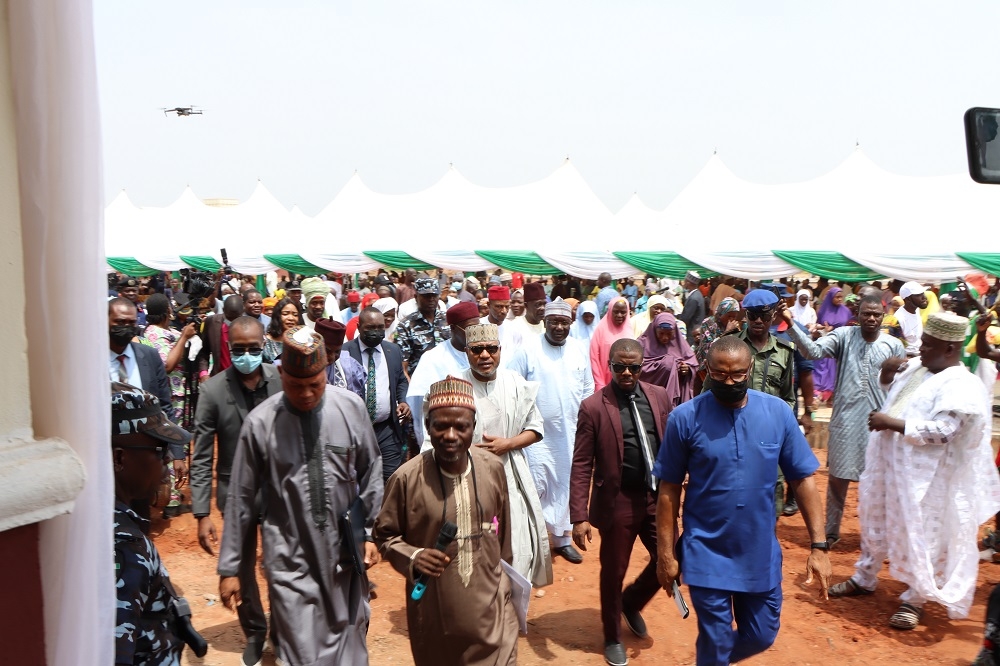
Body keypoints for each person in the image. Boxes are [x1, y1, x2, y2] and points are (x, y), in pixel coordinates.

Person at [655, 335, 831, 665]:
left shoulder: (778, 413)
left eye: (738, 374)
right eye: (720, 375)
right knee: (717, 639)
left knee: (761, 635)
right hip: (705, 550)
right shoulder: (684, 418)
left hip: (758, 551)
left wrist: (818, 546)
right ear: (706, 370)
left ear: (750, 369)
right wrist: (666, 554)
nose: (730, 382)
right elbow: (668, 491)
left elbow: (802, 480)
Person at [217, 326, 383, 665]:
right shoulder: (260, 424)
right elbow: (241, 500)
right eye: (296, 385)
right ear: (281, 374)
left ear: (326, 372)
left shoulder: (350, 408)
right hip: (290, 561)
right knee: (299, 653)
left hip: (343, 559)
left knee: (350, 649)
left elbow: (371, 469)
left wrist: (367, 532)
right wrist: (231, 568)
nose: (307, 394)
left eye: (315, 384)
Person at [828, 312, 1000, 630]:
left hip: (929, 481)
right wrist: (886, 374)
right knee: (874, 521)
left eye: (928, 344)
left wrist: (889, 423)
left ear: (950, 348)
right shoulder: (921, 368)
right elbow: (893, 395)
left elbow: (945, 430)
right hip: (890, 468)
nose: (920, 348)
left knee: (922, 536)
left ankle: (915, 599)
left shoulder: (962, 384)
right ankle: (864, 577)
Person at [375, 376, 518, 665]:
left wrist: (506, 580)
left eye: (461, 427)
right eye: (440, 426)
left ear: (473, 428)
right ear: (428, 427)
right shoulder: (406, 478)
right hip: (435, 610)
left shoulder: (492, 467)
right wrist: (414, 556)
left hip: (493, 605)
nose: (450, 435)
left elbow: (501, 528)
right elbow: (385, 536)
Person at [569, 338, 672, 666]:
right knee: (613, 570)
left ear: (642, 366)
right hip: (618, 500)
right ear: (609, 365)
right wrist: (578, 515)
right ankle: (612, 635)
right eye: (619, 366)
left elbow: (670, 443)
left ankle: (631, 602)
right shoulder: (594, 407)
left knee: (669, 557)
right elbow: (582, 463)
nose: (627, 373)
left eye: (633, 367)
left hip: (656, 497)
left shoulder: (659, 397)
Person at [190, 316, 281, 666]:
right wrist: (201, 514)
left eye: (254, 348)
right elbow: (201, 455)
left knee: (279, 561)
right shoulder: (212, 390)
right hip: (235, 493)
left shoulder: (280, 380)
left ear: (264, 346)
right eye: (239, 349)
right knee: (241, 567)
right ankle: (256, 631)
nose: (247, 355)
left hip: (277, 491)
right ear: (229, 349)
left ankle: (281, 626)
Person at [779, 295, 905, 546]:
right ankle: (832, 532)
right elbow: (812, 351)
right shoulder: (844, 336)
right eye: (866, 314)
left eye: (876, 314)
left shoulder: (893, 345)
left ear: (883, 316)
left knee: (881, 482)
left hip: (879, 423)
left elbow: (900, 387)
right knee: (837, 480)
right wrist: (791, 324)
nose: (871, 318)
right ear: (857, 314)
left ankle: (878, 537)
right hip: (845, 421)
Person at [457, 323, 552, 588]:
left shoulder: (516, 383)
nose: (484, 355)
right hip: (466, 479)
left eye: (491, 349)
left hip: (510, 475)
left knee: (514, 542)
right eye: (477, 350)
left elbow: (536, 428)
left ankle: (508, 605)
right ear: (467, 352)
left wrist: (508, 444)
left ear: (500, 350)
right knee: (470, 546)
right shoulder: (453, 385)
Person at [113, 382, 194, 665]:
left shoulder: (108, 520)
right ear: (119, 458)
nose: (168, 460)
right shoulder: (124, 548)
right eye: (159, 450)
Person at [509, 298, 594, 565]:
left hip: (570, 433)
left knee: (565, 485)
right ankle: (533, 543)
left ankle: (562, 540)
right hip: (535, 436)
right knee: (535, 485)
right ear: (544, 322)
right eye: (554, 322)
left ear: (571, 324)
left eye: (564, 322)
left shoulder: (580, 349)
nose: (559, 327)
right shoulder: (528, 350)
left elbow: (588, 389)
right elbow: (512, 384)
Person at [142, 294, 197, 518]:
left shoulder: (161, 332)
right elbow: (167, 365)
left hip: (177, 397)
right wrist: (184, 337)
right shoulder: (154, 334)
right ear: (167, 312)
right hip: (169, 399)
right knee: (173, 445)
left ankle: (172, 492)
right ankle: (171, 502)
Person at [345, 307, 411, 481]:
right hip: (355, 430)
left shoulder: (393, 351)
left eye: (380, 328)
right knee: (360, 480)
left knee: (389, 480)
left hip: (386, 429)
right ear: (359, 327)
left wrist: (402, 401)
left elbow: (401, 381)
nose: (376, 332)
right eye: (370, 328)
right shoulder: (344, 352)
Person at [405, 301, 482, 446]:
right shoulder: (433, 358)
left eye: (478, 328)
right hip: (450, 441)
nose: (475, 334)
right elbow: (420, 409)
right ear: (453, 328)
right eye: (470, 329)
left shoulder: (484, 353)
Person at [638, 312, 697, 407]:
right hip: (647, 397)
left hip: (675, 398)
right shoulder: (642, 344)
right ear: (654, 330)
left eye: (669, 334)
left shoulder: (680, 345)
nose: (665, 338)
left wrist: (687, 369)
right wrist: (666, 364)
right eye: (661, 333)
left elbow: (692, 362)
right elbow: (637, 367)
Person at [396, 277, 451, 376]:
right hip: (420, 382)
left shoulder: (449, 320)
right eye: (426, 296)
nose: (431, 299)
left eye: (434, 295)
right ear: (416, 297)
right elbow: (402, 366)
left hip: (448, 381)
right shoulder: (405, 326)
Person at [692, 297, 743, 389]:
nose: (731, 320)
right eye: (729, 316)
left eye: (734, 316)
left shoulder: (734, 326)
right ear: (720, 314)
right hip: (706, 370)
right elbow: (707, 349)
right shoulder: (708, 323)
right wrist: (726, 332)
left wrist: (738, 332)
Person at [813, 287, 852, 403]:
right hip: (827, 343)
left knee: (838, 370)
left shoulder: (846, 311)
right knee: (823, 369)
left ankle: (832, 395)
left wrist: (834, 329)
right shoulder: (823, 311)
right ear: (831, 297)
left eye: (841, 297)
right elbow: (818, 326)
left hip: (841, 344)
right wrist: (824, 329)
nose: (840, 299)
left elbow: (849, 326)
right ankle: (820, 393)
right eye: (837, 297)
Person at [315, 317, 366, 399]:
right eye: (327, 351)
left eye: (337, 352)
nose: (332, 357)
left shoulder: (350, 366)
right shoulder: (305, 365)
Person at [590, 297, 633, 392]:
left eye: (623, 312)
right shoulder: (600, 329)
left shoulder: (630, 330)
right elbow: (594, 358)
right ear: (609, 311)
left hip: (625, 382)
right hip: (604, 382)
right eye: (616, 311)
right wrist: (599, 383)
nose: (619, 315)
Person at [197, 294, 244, 380]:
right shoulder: (212, 322)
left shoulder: (250, 326)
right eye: (229, 318)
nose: (232, 322)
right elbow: (204, 352)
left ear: (242, 312)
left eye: (236, 318)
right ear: (223, 311)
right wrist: (203, 373)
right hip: (219, 379)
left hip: (242, 379)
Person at [482, 285, 523, 353]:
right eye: (499, 306)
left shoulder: (514, 329)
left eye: (507, 307)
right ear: (489, 305)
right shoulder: (479, 326)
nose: (504, 311)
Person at [894, 281, 929, 357]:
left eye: (923, 293)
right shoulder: (899, 318)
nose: (924, 297)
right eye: (918, 295)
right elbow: (898, 347)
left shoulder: (916, 309)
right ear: (908, 299)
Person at [264, 297, 302, 363]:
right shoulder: (265, 342)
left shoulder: (303, 342)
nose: (291, 318)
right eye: (285, 314)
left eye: (295, 315)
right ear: (277, 316)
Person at [677, 270, 706, 344]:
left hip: (691, 334)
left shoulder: (693, 298)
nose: (684, 283)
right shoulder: (697, 294)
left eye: (685, 281)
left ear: (688, 282)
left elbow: (685, 318)